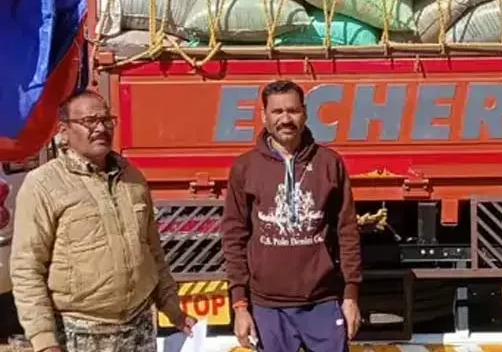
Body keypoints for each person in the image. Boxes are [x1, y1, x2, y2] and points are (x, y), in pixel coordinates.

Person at [10, 90, 195, 352]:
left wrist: (174, 311)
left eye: (106, 120)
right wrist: (44, 341)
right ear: (64, 131)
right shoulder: (43, 185)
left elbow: (153, 252)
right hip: (79, 333)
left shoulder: (132, 178)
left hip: (139, 327)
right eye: (89, 121)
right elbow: (27, 268)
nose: (101, 128)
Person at [222, 80, 362, 352]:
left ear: (305, 113)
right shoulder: (245, 167)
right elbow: (234, 238)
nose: (285, 119)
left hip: (322, 302)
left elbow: (347, 232)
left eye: (293, 111)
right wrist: (240, 305)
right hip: (268, 306)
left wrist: (351, 296)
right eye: (277, 112)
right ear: (264, 116)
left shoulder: (329, 163)